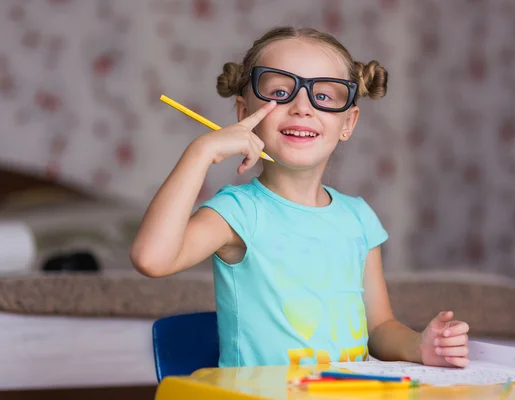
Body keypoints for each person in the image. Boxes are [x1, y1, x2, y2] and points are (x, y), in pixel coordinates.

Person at [131, 26, 469, 368]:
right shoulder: (238, 213)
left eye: (323, 96)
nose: (302, 106)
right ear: (243, 114)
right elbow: (152, 258)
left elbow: (379, 327)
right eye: (280, 91)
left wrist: (419, 346)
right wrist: (199, 153)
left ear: (348, 123)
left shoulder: (359, 218)